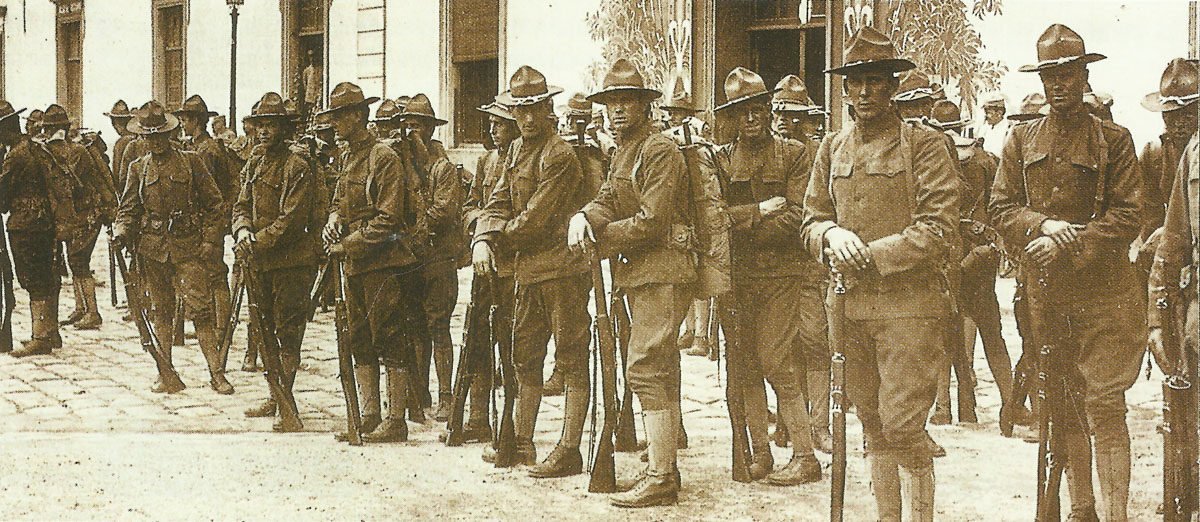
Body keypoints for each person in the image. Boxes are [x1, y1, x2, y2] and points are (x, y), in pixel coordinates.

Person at [802, 26, 959, 520]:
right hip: (849, 308)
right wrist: (829, 235)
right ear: (844, 89)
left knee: (904, 426)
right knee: (871, 421)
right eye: (855, 82)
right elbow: (810, 219)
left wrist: (866, 252)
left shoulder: (925, 146)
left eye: (875, 81)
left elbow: (938, 229)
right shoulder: (832, 147)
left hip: (909, 308)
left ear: (892, 86)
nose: (865, 92)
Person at [990, 24, 1144, 521]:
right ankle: (1081, 509)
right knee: (1061, 404)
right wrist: (1044, 225)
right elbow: (1000, 208)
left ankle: (1115, 512)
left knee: (1104, 404)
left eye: (1069, 73)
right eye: (1050, 74)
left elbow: (1129, 215)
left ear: (1084, 75)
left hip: (1105, 296)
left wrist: (1070, 242)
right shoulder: (1020, 139)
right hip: (1047, 296)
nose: (1059, 83)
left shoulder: (1114, 141)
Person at [567, 58, 694, 507]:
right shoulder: (624, 151)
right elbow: (606, 198)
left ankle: (661, 477)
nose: (618, 110)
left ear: (644, 106)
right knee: (657, 365)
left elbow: (653, 222)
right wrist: (585, 215)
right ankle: (664, 464)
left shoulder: (658, 150)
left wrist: (602, 236)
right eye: (611, 102)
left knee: (644, 366)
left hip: (664, 269)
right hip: (641, 273)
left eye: (627, 101)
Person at [471, 65, 592, 477]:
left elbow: (535, 219)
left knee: (572, 358)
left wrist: (498, 238)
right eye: (519, 109)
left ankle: (569, 448)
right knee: (525, 357)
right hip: (527, 272)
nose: (525, 118)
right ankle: (521, 440)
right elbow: (499, 200)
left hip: (561, 272)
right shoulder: (517, 151)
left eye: (533, 108)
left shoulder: (560, 155)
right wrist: (482, 237)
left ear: (547, 108)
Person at [714, 66, 823, 485]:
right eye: (742, 111)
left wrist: (740, 224)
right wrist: (758, 211)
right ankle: (759, 453)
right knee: (744, 366)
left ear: (767, 108)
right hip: (737, 279)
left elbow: (797, 218)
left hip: (782, 277)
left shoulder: (794, 154)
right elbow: (715, 218)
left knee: (777, 361)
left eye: (757, 107)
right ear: (732, 117)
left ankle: (804, 455)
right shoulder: (721, 160)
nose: (751, 117)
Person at [319, 82, 427, 443]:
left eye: (339, 116)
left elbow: (389, 219)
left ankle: (395, 421)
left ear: (356, 116)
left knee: (390, 339)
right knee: (359, 339)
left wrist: (347, 244)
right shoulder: (349, 156)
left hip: (383, 265)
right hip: (355, 266)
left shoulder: (384, 158)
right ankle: (369, 414)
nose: (334, 123)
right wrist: (334, 221)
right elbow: (339, 201)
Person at [112, 101, 232, 394]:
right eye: (148, 136)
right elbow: (128, 208)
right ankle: (164, 372)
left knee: (201, 311)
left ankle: (216, 373)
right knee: (160, 312)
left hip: (188, 246)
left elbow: (216, 206)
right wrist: (121, 229)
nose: (154, 141)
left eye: (159, 135)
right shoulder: (138, 168)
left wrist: (208, 241)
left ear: (169, 134)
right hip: (152, 249)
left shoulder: (191, 162)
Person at [929, 99, 1025, 433]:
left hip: (960, 260)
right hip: (976, 258)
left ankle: (953, 408)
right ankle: (1005, 404)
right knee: (988, 334)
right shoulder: (986, 160)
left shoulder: (940, 165)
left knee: (953, 336)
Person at [232, 92, 323, 432]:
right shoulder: (254, 161)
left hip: (291, 263)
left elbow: (291, 220)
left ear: (284, 129)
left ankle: (287, 403)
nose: (265, 132)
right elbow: (241, 203)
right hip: (260, 261)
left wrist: (256, 240)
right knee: (262, 329)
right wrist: (242, 231)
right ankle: (276, 397)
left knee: (287, 332)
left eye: (271, 126)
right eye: (260, 126)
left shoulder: (296, 165)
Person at [768, 73, 834, 454]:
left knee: (814, 343)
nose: (782, 119)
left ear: (805, 119)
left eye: (791, 113)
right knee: (781, 347)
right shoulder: (767, 150)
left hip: (809, 265)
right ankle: (785, 424)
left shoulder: (817, 153)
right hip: (776, 266)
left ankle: (819, 425)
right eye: (778, 111)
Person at [398, 93, 464, 422]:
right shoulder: (403, 165)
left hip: (439, 256)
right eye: (407, 126)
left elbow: (442, 211)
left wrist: (413, 235)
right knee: (414, 327)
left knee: (438, 326)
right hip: (412, 258)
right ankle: (418, 393)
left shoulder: (443, 168)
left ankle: (446, 396)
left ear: (429, 130)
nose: (412, 133)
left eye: (418, 126)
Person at [461, 100, 520, 449]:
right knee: (478, 341)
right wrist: (478, 231)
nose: (492, 130)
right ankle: (478, 418)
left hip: (512, 265)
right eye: (491, 123)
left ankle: (510, 425)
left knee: (512, 344)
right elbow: (469, 206)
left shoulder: (522, 158)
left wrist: (497, 235)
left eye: (499, 124)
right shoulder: (486, 162)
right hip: (485, 266)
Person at [174, 94, 238, 369]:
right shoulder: (194, 147)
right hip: (196, 223)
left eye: (186, 119)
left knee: (214, 273)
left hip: (208, 221)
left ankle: (222, 328)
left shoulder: (208, 151)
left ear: (195, 121)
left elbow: (211, 192)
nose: (183, 124)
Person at [40, 105, 117, 332]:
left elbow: (69, 183)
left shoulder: (76, 152)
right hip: (78, 214)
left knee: (80, 261)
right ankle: (80, 307)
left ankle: (93, 312)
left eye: (50, 128)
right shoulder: (66, 150)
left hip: (88, 213)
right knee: (75, 261)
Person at [0, 101, 68, 357]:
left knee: (32, 278)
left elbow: (2, 194)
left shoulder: (15, 155)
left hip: (25, 223)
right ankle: (50, 332)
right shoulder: (34, 147)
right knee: (45, 275)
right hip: (44, 221)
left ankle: (39, 337)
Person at [1137, 58, 1199, 276]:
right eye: (1171, 115)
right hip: (1171, 250)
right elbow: (1149, 214)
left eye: (1188, 114)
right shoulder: (1154, 153)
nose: (1179, 123)